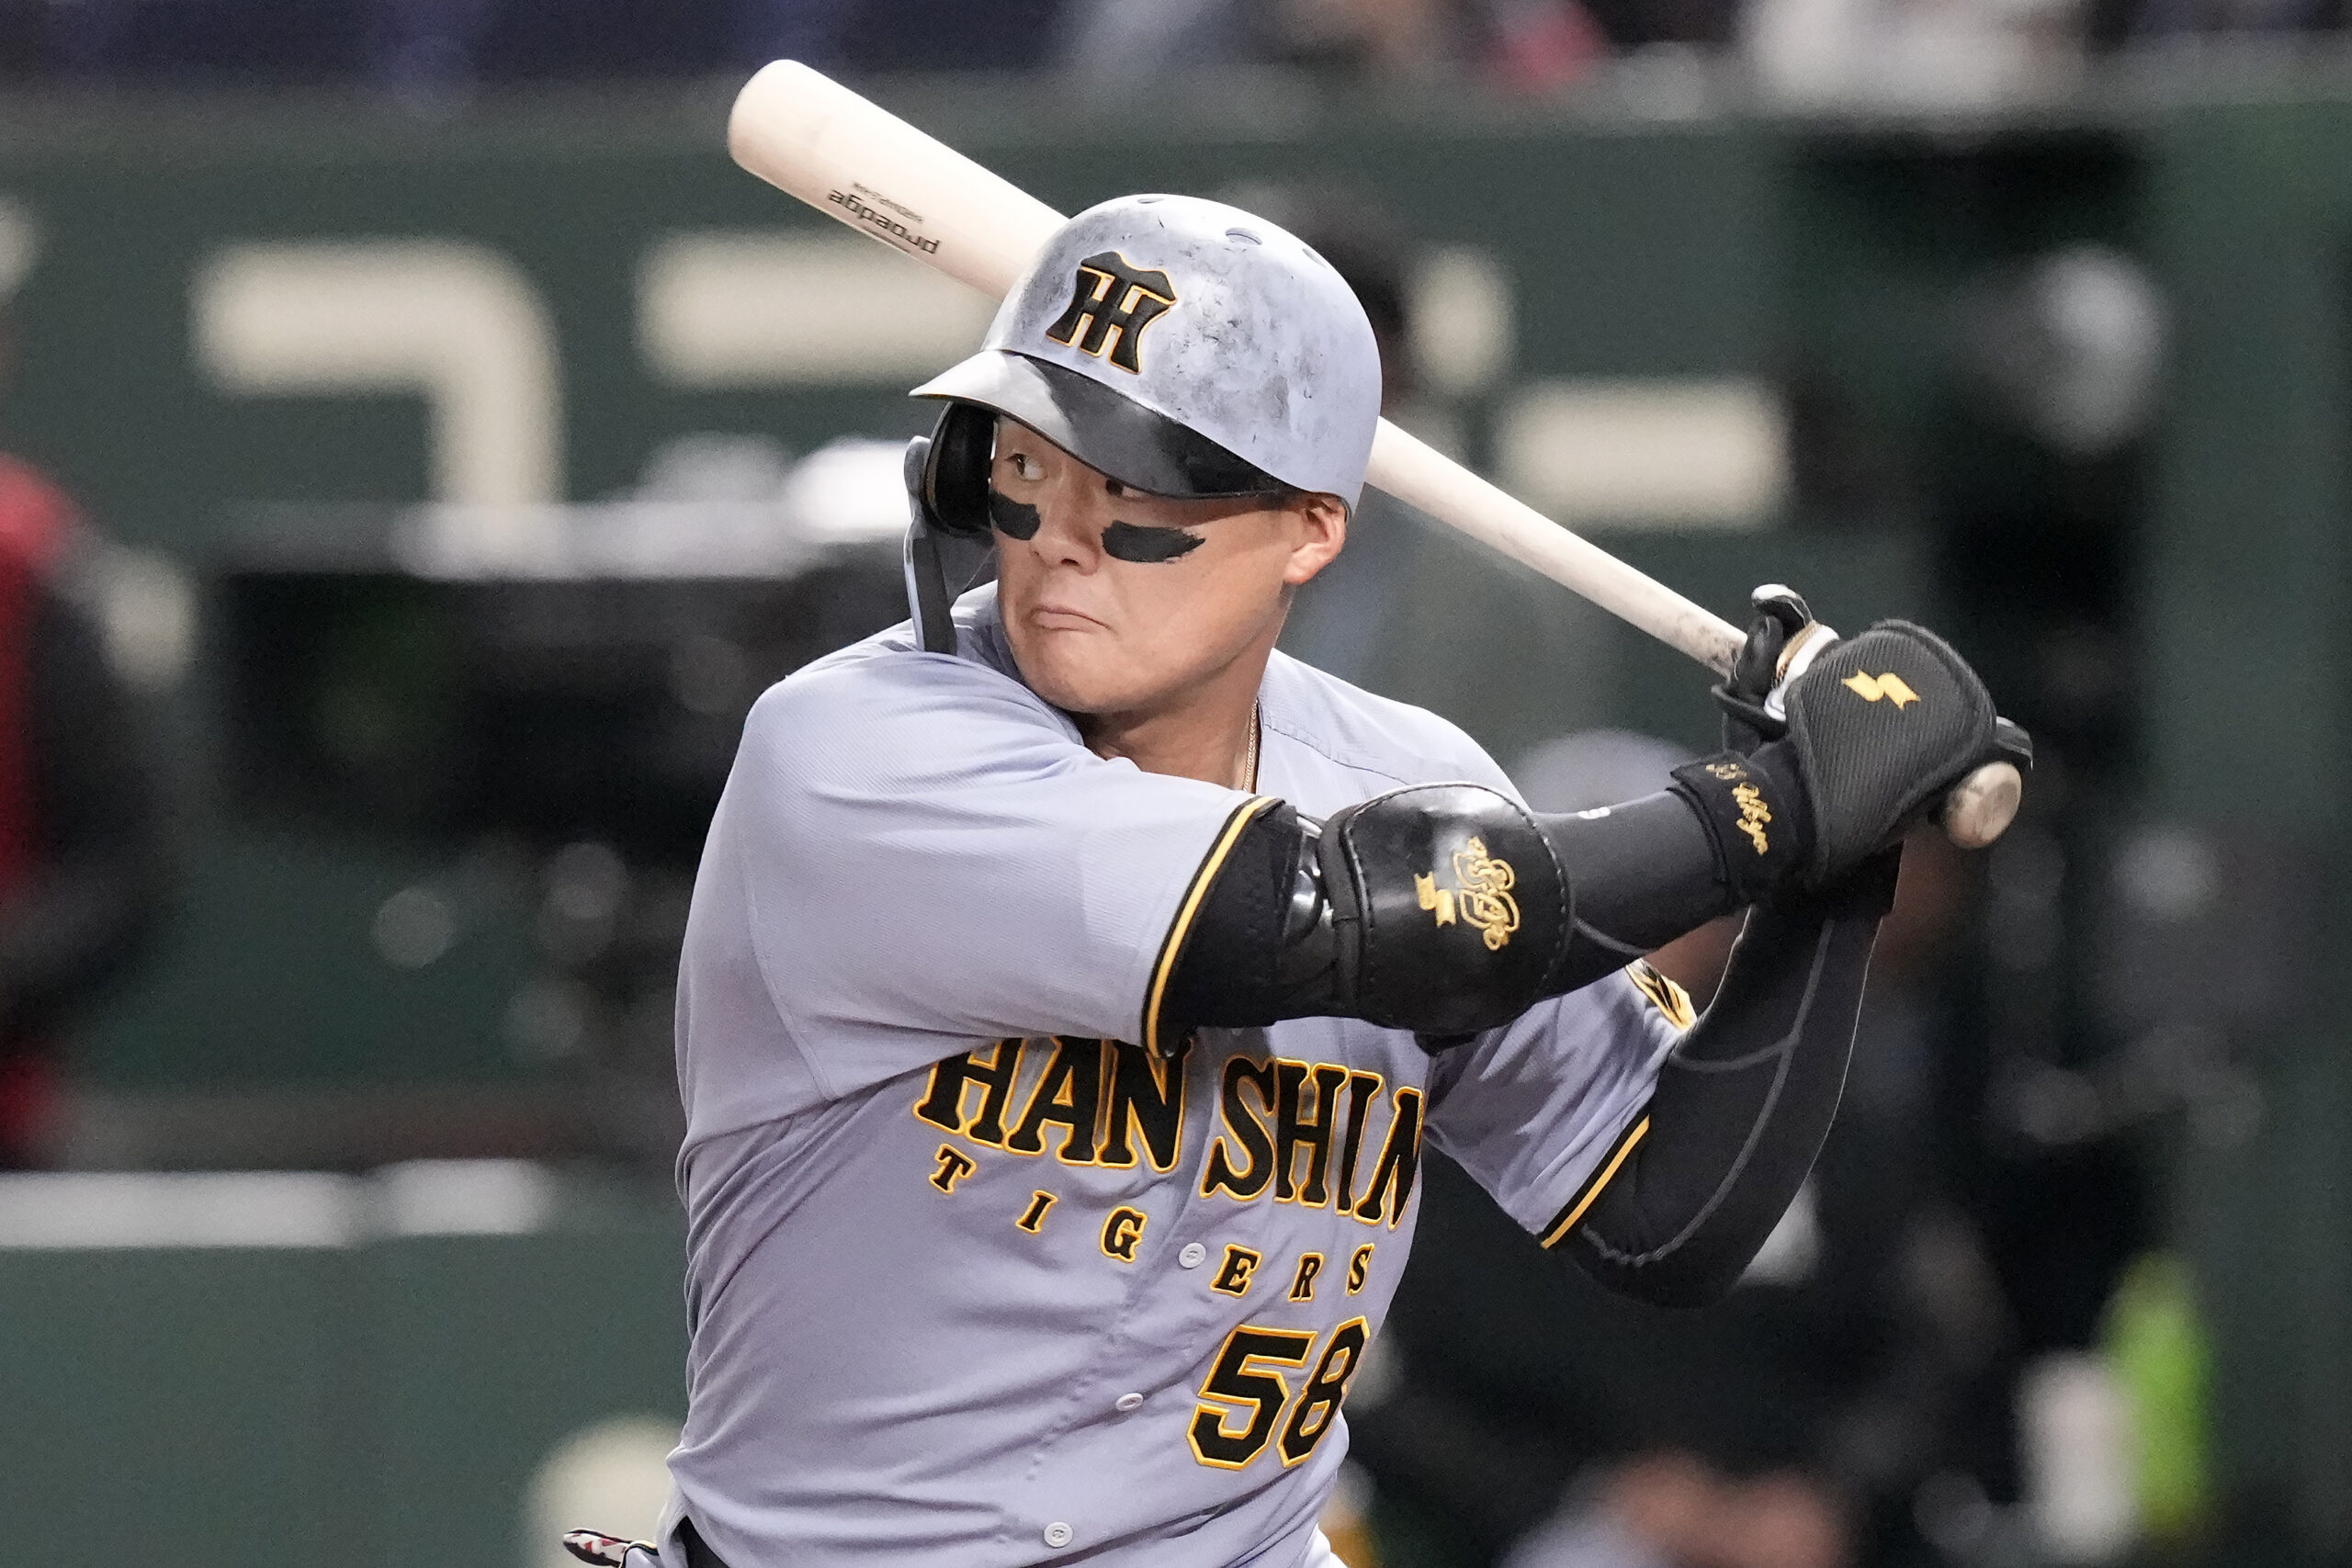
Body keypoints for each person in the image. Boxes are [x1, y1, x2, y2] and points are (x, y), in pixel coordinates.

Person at [638, 193, 2020, 1568]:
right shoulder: (858, 750)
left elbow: (1670, 1216)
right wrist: (1769, 811)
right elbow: (1314, 923)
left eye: (1134, 494)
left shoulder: (1399, 767)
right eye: (1028, 466)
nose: (1060, 533)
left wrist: (1842, 852)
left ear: (1307, 530)